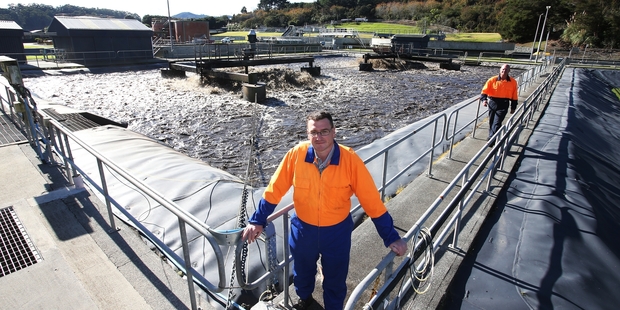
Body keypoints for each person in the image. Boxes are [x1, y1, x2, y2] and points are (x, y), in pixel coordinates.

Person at [242, 111, 408, 310]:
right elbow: (274, 190)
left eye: (324, 131)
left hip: (336, 232)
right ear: (307, 133)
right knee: (302, 274)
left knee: (335, 281)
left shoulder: (350, 160)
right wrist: (257, 220)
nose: (319, 137)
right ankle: (304, 300)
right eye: (314, 132)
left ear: (334, 132)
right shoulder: (296, 155)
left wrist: (391, 237)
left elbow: (371, 201)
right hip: (303, 230)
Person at [480, 64, 519, 146]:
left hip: (504, 104)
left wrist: (513, 107)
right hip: (493, 103)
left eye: (506, 69)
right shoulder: (492, 80)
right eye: (503, 69)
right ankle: (493, 136)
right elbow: (484, 92)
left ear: (509, 71)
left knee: (497, 122)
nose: (504, 71)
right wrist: (484, 100)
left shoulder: (513, 82)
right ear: (500, 70)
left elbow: (514, 95)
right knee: (492, 121)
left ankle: (491, 139)